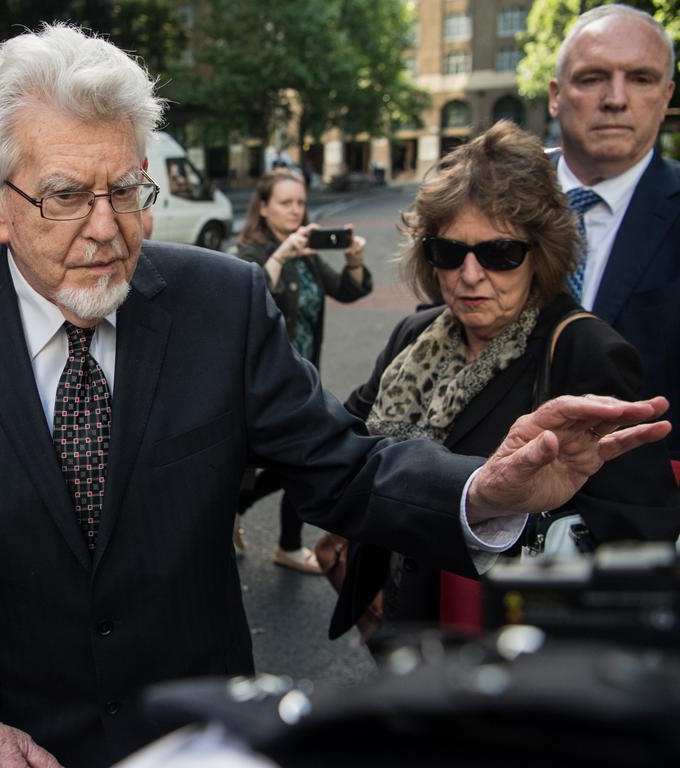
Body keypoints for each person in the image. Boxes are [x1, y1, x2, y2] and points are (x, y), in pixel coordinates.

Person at [0, 24, 671, 768]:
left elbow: (341, 470)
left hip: (201, 739)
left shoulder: (222, 304)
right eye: (65, 196)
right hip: (11, 740)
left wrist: (481, 492)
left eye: (127, 190)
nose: (106, 227)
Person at [329, 122, 679, 640]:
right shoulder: (417, 331)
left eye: (499, 254)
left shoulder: (587, 354)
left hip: (506, 646)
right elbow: (345, 439)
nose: (470, 275)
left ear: (540, 254)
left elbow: (638, 540)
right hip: (404, 628)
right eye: (448, 252)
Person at [548, 4, 680, 459]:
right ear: (555, 95)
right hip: (484, 504)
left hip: (643, 512)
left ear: (666, 96)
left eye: (641, 79)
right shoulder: (486, 197)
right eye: (592, 78)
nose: (615, 99)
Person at [235, 168, 372, 573]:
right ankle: (283, 542)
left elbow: (348, 290)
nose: (296, 210)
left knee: (296, 461)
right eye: (285, 202)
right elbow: (247, 302)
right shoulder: (253, 254)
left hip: (302, 380)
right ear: (263, 207)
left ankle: (265, 527)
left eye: (300, 203)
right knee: (301, 461)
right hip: (265, 383)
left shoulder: (307, 252)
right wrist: (280, 256)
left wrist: (355, 262)